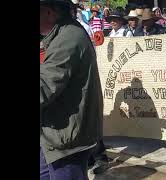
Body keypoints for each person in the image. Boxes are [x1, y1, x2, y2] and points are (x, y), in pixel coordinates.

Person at [40, 0, 103, 179]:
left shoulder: (68, 38)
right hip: (54, 134)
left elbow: (44, 86)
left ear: (49, 12)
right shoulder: (60, 34)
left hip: (67, 139)